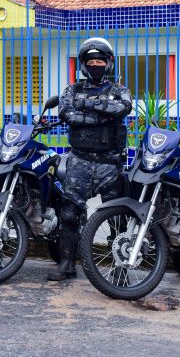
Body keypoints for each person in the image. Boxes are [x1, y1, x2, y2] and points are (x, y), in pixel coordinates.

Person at [51, 37, 132, 281]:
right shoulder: (72, 90)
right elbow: (67, 113)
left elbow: (121, 109)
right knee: (69, 214)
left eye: (100, 60)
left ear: (108, 63)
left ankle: (120, 268)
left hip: (110, 164)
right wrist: (101, 113)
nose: (95, 64)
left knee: (117, 218)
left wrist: (86, 105)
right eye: (91, 61)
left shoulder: (120, 90)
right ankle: (67, 264)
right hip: (80, 161)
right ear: (84, 65)